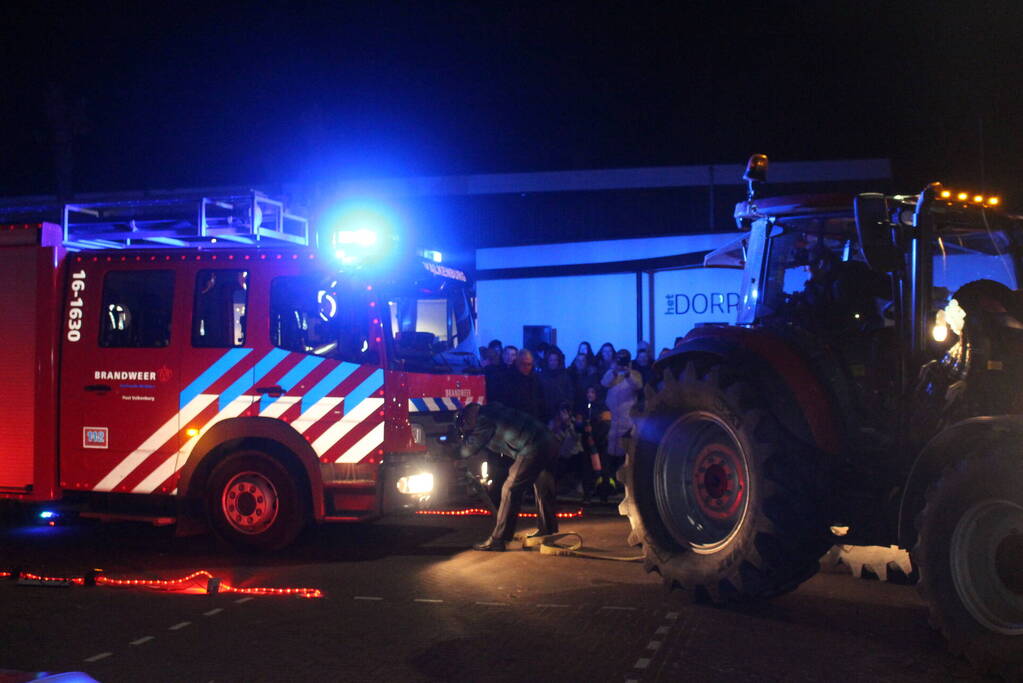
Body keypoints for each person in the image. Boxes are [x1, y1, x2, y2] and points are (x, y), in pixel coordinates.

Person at [456, 402, 559, 551]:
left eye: (464, 425)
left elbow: (467, 450)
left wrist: (454, 449)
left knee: (510, 489)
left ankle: (498, 539)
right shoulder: (495, 409)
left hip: (532, 447)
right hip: (550, 440)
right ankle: (547, 530)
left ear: (468, 418)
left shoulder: (483, 420)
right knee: (543, 487)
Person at [601, 349, 643, 488]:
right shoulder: (610, 373)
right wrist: (615, 371)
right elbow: (604, 383)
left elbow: (638, 385)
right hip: (612, 420)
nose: (621, 363)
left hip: (627, 420)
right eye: (619, 360)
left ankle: (623, 484)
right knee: (609, 452)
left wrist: (627, 373)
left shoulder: (634, 374)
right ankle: (609, 482)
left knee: (624, 453)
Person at [490, 348, 545, 419]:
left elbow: (541, 402)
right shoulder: (506, 378)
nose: (526, 367)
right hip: (513, 421)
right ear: (517, 363)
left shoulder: (536, 380)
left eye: (529, 364)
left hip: (532, 421)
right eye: (523, 364)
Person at [539, 348, 573, 420]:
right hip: (544, 414)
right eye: (551, 360)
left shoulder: (565, 377)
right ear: (547, 361)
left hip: (561, 415)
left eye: (555, 360)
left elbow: (570, 395)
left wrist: (565, 409)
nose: (553, 362)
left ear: (558, 361)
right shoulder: (541, 376)